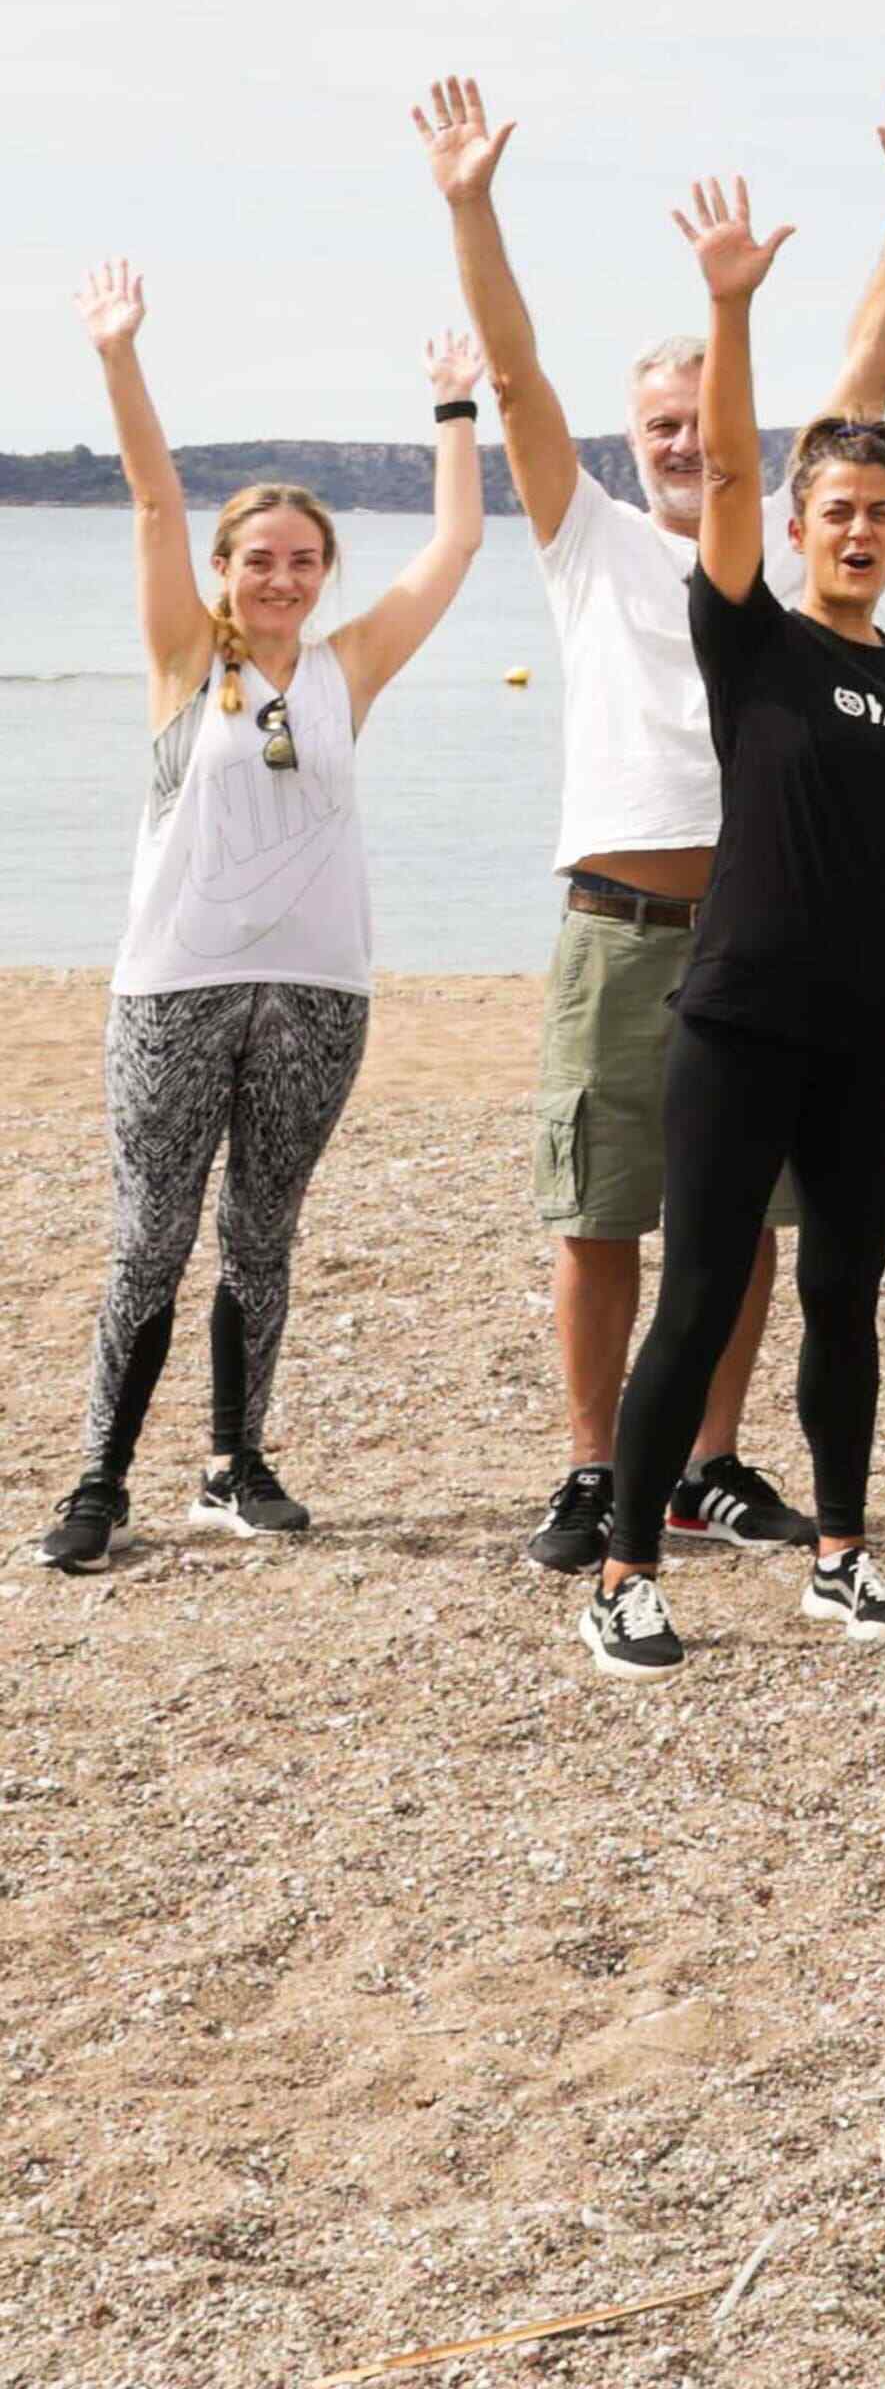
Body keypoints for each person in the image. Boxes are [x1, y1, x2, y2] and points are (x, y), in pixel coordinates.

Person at [418, 72, 885, 1573]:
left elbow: (869, 363)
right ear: (627, 436)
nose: (676, 441)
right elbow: (515, 376)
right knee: (599, 1217)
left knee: (752, 1226)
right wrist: (470, 204)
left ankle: (712, 1460)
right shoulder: (586, 541)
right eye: (654, 422)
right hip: (618, 925)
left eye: (696, 423)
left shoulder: (768, 578)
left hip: (759, 939)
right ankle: (596, 1469)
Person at [580, 185, 885, 1673]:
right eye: (836, 512)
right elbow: (726, 462)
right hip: (738, 1023)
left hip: (865, 1045)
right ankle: (621, 1571)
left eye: (882, 514)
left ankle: (845, 1555)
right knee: (697, 1292)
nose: (858, 529)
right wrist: (729, 309)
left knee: (846, 1301)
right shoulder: (756, 640)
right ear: (799, 530)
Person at [36, 271, 482, 1572]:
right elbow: (155, 499)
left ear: (323, 571)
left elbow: (454, 551)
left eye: (303, 561)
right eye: (258, 560)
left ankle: (235, 1465)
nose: (281, 578)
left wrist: (456, 408)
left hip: (321, 996)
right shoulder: (190, 658)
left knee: (263, 1233)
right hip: (173, 992)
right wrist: (120, 356)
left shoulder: (351, 668)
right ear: (226, 571)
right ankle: (101, 1480)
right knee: (150, 1238)